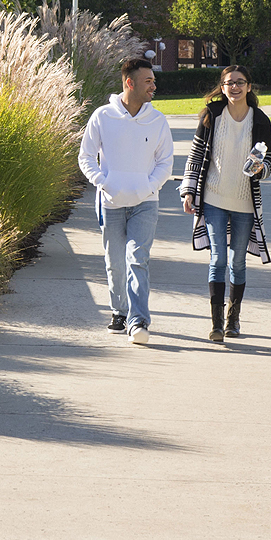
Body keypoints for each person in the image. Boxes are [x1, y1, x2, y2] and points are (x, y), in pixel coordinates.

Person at [78, 57, 174, 345]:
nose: (154, 86)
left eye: (153, 81)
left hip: (146, 202)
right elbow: (85, 157)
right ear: (129, 83)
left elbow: (165, 162)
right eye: (148, 81)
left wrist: (149, 186)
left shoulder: (157, 120)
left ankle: (138, 320)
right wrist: (105, 183)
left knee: (138, 258)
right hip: (111, 202)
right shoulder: (102, 116)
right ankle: (119, 311)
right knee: (115, 262)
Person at [179, 66, 271, 342]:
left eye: (240, 82)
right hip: (214, 198)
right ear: (222, 87)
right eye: (229, 83)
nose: (234, 87)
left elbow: (268, 162)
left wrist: (260, 170)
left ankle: (234, 319)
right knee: (218, 258)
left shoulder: (260, 121)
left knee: (238, 261)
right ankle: (217, 324)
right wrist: (188, 191)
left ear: (249, 86)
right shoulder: (212, 116)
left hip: (245, 201)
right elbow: (196, 155)